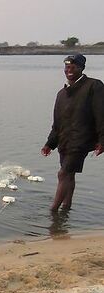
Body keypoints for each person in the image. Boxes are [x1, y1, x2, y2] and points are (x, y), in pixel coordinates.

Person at [41, 54, 104, 211]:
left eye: (73, 67)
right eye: (67, 67)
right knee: (69, 174)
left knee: (63, 174)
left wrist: (102, 140)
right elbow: (57, 123)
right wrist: (50, 143)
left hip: (81, 140)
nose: (69, 70)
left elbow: (101, 114)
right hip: (64, 141)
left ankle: (52, 212)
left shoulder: (94, 86)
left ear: (81, 68)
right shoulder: (61, 94)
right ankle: (66, 208)